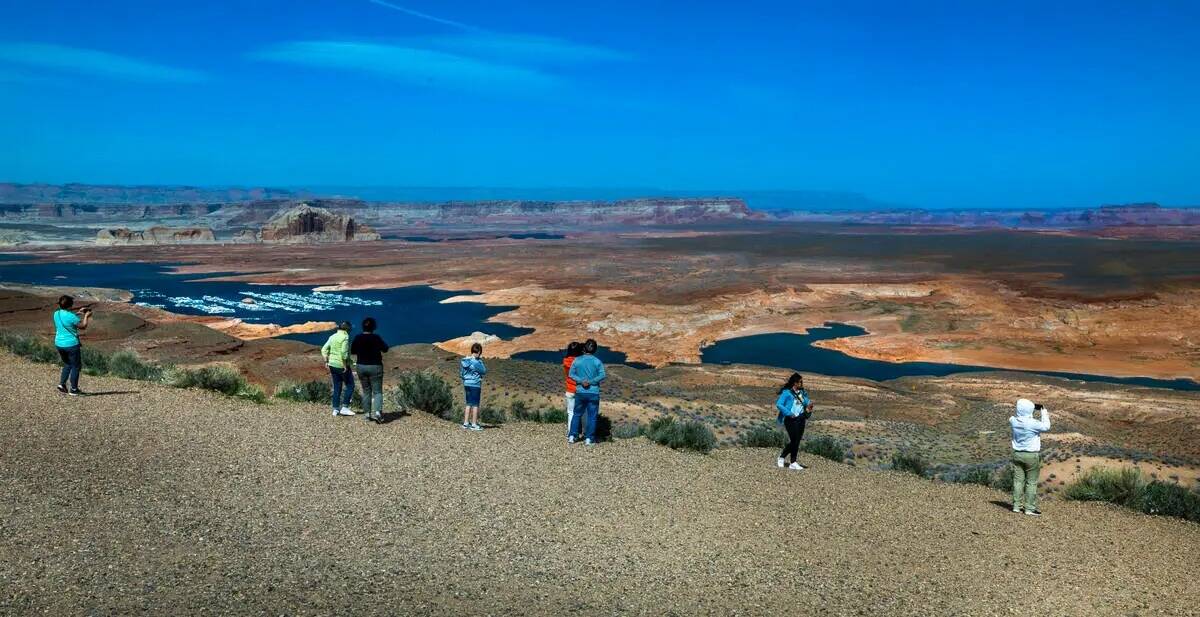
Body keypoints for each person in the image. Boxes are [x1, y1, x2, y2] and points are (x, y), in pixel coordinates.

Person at [1010, 398, 1051, 516]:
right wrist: (1043, 411)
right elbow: (1046, 426)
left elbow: (1015, 416)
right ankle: (1029, 508)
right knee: (1031, 482)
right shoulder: (1032, 423)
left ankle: (1016, 506)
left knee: (1018, 481)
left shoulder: (1013, 421)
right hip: (1031, 455)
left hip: (1017, 454)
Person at [567, 339, 606, 446]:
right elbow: (602, 375)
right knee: (592, 416)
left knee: (576, 414)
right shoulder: (597, 361)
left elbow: (571, 374)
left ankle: (572, 436)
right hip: (593, 393)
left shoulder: (577, 360)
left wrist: (581, 381)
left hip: (580, 392)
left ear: (584, 348)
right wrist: (591, 382)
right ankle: (589, 439)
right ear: (595, 349)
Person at [350, 317, 389, 423]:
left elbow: (352, 350)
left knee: (366, 391)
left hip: (361, 366)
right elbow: (385, 349)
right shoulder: (376, 338)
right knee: (377, 391)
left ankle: (367, 414)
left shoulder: (358, 337)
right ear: (373, 327)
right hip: (375, 366)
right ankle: (377, 413)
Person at [53, 295, 91, 396]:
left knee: (67, 364)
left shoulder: (56, 313)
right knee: (76, 366)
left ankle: (62, 384)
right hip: (71, 344)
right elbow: (83, 326)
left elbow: (67, 318)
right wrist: (86, 316)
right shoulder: (71, 317)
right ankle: (73, 390)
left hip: (59, 343)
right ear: (70, 305)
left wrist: (79, 312)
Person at [775, 372, 813, 471]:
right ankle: (782, 457)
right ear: (795, 383)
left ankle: (793, 462)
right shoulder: (787, 393)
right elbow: (779, 404)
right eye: (800, 382)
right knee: (794, 440)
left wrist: (809, 404)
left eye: (801, 382)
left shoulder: (801, 393)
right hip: (790, 419)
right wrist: (789, 413)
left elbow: (805, 401)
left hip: (801, 418)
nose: (801, 383)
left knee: (797, 441)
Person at [321, 321, 355, 417]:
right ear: (347, 329)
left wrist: (326, 361)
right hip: (341, 366)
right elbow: (344, 353)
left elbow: (324, 349)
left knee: (337, 386)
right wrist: (345, 365)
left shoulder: (332, 337)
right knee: (350, 385)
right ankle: (345, 407)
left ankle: (335, 409)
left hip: (332, 365)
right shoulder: (345, 337)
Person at [460, 342, 487, 431]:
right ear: (479, 352)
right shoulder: (476, 362)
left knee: (468, 403)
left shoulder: (464, 361)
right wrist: (480, 361)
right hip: (475, 385)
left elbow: (461, 374)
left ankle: (466, 423)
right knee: (475, 404)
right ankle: (474, 424)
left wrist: (466, 379)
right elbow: (483, 371)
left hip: (466, 384)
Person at [562, 341, 582, 437]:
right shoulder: (581, 362)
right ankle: (586, 433)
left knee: (571, 412)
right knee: (583, 412)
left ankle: (571, 434)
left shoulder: (565, 361)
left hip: (570, 389)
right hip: (580, 389)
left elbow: (567, 375)